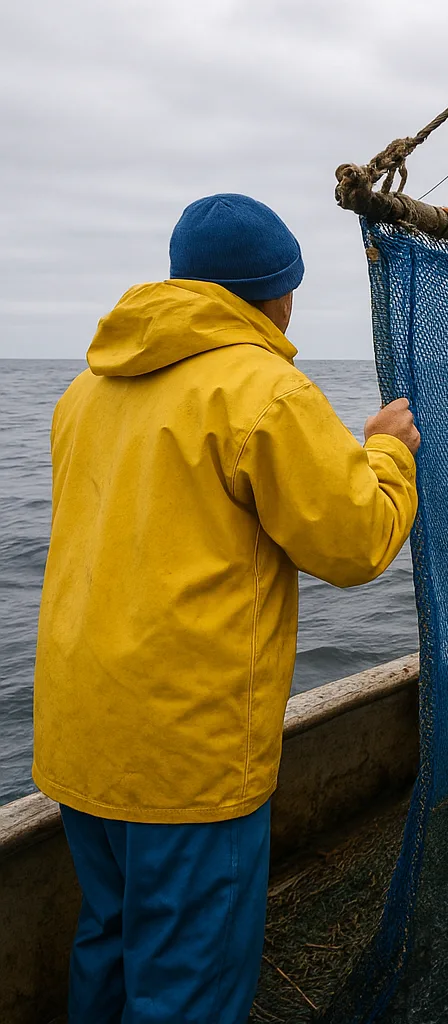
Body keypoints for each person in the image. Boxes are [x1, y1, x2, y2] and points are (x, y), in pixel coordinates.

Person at [32, 193, 420, 1023]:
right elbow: (355, 544)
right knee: (189, 982)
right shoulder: (264, 392)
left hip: (80, 735)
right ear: (272, 290)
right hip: (187, 752)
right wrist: (386, 452)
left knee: (110, 938)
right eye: (291, 288)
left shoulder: (81, 394)